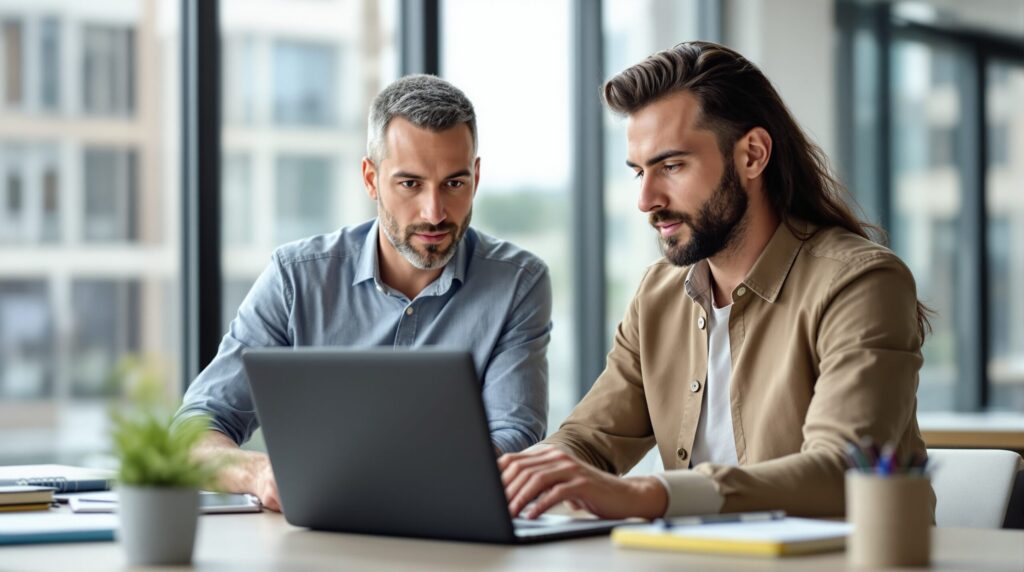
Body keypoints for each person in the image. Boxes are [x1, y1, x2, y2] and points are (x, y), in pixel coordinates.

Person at [499, 41, 933, 520]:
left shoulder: (861, 283)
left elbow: (842, 472)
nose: (646, 200)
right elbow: (588, 439)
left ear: (752, 155)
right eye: (640, 172)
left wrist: (649, 495)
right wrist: (515, 477)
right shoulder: (658, 294)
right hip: (693, 554)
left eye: (671, 166)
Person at [176, 75, 552, 511]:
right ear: (371, 179)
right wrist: (260, 474)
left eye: (454, 183)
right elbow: (194, 429)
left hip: (448, 532)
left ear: (477, 177)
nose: (434, 212)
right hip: (313, 532)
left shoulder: (518, 283)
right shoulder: (296, 279)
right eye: (410, 184)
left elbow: (514, 436)